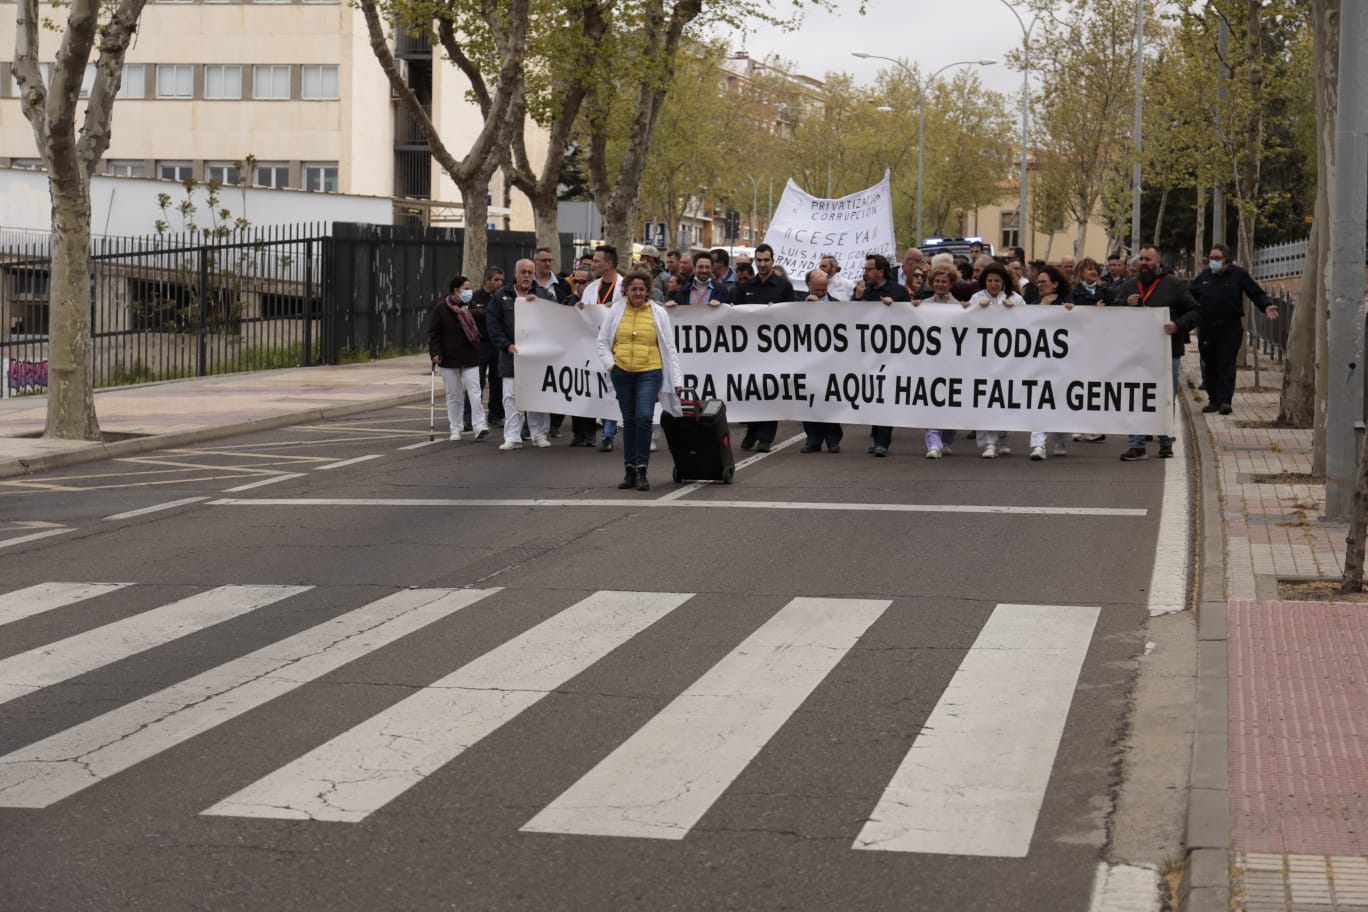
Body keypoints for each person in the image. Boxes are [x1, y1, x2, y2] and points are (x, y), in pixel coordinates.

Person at [595, 271, 683, 492]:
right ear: (626, 290)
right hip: (622, 371)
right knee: (629, 421)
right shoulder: (616, 310)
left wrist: (677, 378)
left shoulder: (659, 313)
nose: (637, 293)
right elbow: (602, 342)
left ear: (647, 291)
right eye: (633, 289)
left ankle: (642, 469)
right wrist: (611, 365)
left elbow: (670, 348)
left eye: (641, 289)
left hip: (650, 371)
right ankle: (630, 469)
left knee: (644, 417)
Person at [1114, 244, 1200, 460]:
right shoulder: (1129, 286)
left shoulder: (1173, 285)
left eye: (1148, 260)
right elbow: (1113, 314)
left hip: (1167, 352)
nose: (1144, 263)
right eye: (1141, 259)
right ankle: (1136, 444)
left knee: (1164, 397)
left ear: (1158, 263)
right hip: (1135, 353)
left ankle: (1165, 441)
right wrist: (1125, 303)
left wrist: (1178, 325)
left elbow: (1195, 311)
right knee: (1135, 396)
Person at [1190, 243, 1278, 416]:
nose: (1213, 262)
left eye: (1217, 258)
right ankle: (1213, 399)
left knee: (1226, 362)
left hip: (1230, 326)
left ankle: (1225, 401)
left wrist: (1266, 306)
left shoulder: (1239, 275)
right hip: (1207, 326)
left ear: (1226, 260)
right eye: (1211, 258)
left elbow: (1255, 293)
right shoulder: (1204, 277)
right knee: (1209, 363)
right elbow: (1189, 295)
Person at [487, 258, 557, 450]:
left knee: (537, 397)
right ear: (515, 273)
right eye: (523, 272)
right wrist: (506, 345)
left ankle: (539, 435)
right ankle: (512, 437)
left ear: (534, 274)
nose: (527, 276)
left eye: (530, 272)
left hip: (537, 358)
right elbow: (493, 325)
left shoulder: (545, 295)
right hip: (511, 357)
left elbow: (557, 319)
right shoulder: (501, 296)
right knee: (510, 398)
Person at [730, 243, 795, 452]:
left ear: (772, 260)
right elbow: (734, 315)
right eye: (759, 260)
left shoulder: (783, 287)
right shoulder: (745, 287)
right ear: (754, 262)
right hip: (750, 351)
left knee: (769, 392)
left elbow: (793, 315)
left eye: (766, 260)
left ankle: (766, 437)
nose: (763, 264)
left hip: (774, 350)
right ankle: (752, 431)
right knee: (752, 392)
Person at [852, 253, 910, 458]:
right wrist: (857, 299)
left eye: (869, 269)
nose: (865, 273)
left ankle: (882, 441)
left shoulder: (897, 291)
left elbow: (909, 319)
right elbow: (850, 319)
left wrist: (894, 308)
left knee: (885, 394)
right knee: (872, 395)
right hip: (868, 353)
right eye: (865, 269)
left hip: (890, 353)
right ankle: (877, 434)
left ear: (881, 271)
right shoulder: (863, 291)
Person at [969, 263, 1025, 459]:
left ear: (1004, 282)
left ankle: (1003, 436)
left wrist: (1015, 310)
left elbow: (1028, 324)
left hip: (1007, 359)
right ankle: (989, 442)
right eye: (990, 281)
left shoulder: (1015, 298)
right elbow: (965, 322)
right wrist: (976, 309)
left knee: (1004, 398)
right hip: (983, 359)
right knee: (985, 398)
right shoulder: (977, 298)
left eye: (997, 281)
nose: (993, 285)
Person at [428, 275, 489, 442]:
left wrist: (468, 312)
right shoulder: (441, 309)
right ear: (456, 290)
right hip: (448, 358)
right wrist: (435, 353)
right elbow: (434, 333)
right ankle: (455, 428)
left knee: (475, 391)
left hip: (470, 355)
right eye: (466, 288)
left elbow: (483, 314)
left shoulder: (469, 305)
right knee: (453, 394)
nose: (470, 291)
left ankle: (479, 425)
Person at [915, 264, 967, 459]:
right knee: (930, 399)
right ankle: (933, 442)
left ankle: (946, 438)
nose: (940, 284)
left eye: (944, 281)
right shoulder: (923, 304)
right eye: (937, 281)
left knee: (949, 401)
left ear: (951, 283)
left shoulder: (960, 306)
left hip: (952, 363)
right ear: (931, 283)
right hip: (929, 362)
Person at [1026, 265, 1073, 460]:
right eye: (1038, 283)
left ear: (1055, 284)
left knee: (1059, 401)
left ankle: (1061, 439)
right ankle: (1038, 444)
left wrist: (1072, 311)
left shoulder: (1066, 305)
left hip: (1061, 364)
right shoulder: (1033, 303)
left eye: (1044, 282)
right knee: (1039, 400)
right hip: (1038, 363)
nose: (1040, 285)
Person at [582, 245, 626, 452]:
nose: (593, 264)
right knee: (600, 390)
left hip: (620, 347)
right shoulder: (591, 289)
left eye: (597, 261)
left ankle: (608, 433)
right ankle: (602, 426)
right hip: (595, 346)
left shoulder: (625, 286)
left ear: (608, 264)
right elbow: (583, 316)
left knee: (612, 390)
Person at [799, 269, 842, 453]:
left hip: (830, 361)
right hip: (808, 361)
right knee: (809, 400)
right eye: (817, 290)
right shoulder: (799, 304)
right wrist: (804, 307)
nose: (820, 293)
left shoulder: (837, 305)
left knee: (830, 400)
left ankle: (833, 439)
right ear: (809, 286)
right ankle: (813, 439)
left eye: (823, 290)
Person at [561, 266, 600, 448]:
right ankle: (578, 433)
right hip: (573, 354)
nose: (578, 285)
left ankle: (591, 432)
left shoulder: (597, 303)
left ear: (591, 283)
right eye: (575, 281)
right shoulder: (568, 301)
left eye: (582, 282)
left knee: (591, 393)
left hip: (592, 354)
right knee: (576, 393)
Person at [468, 266, 505, 429]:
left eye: (501, 280)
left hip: (497, 344)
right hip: (481, 344)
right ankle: (470, 417)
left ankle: (496, 415)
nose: (499, 283)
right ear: (486, 280)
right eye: (496, 280)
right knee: (477, 381)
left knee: (498, 381)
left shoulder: (503, 298)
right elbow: (470, 316)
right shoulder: (475, 298)